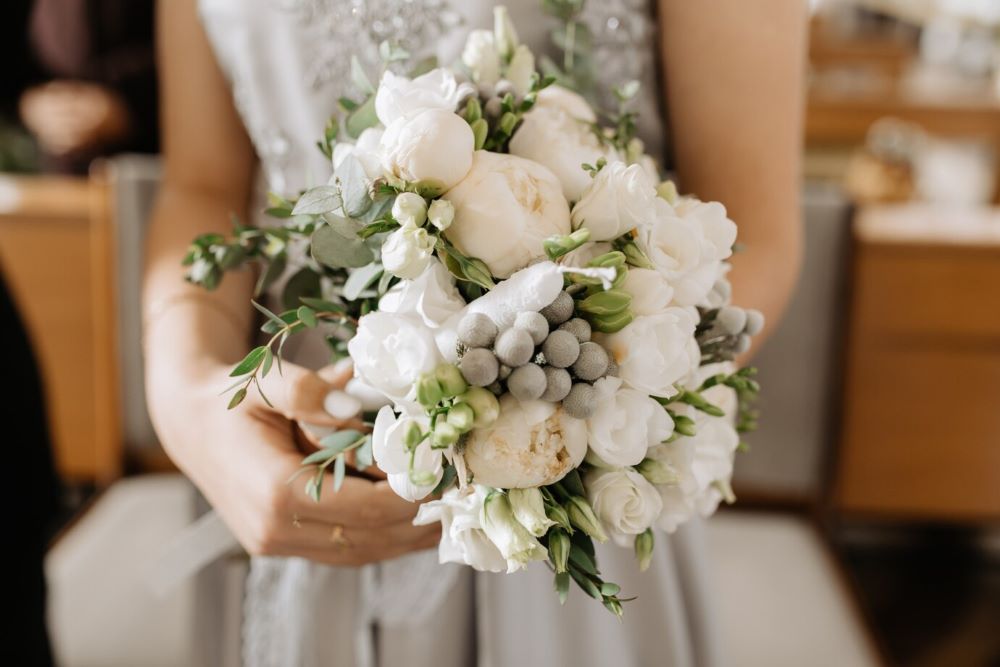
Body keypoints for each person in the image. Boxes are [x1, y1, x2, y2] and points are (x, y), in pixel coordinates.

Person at [144, 1, 804, 665]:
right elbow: (202, 187)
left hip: (561, 471)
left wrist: (549, 414)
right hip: (302, 454)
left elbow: (754, 226)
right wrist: (187, 395)